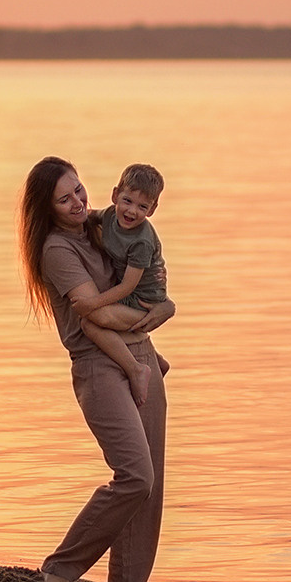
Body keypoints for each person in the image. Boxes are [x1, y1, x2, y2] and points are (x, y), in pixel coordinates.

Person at [20, 155, 175, 582]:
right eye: (64, 198)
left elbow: (150, 274)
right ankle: (62, 567)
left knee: (150, 489)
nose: (77, 203)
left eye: (80, 191)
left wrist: (164, 306)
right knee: (134, 476)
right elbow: (98, 316)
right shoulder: (56, 251)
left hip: (143, 355)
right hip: (99, 366)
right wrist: (161, 311)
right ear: (46, 208)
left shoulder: (104, 225)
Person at [78, 164, 169, 406]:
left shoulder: (142, 242)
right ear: (115, 194)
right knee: (100, 319)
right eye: (127, 201)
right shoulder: (109, 215)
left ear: (152, 210)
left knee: (90, 323)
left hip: (142, 300)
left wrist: (92, 303)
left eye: (142, 207)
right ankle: (157, 360)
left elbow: (128, 286)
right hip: (128, 293)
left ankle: (137, 369)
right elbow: (87, 217)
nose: (131, 211)